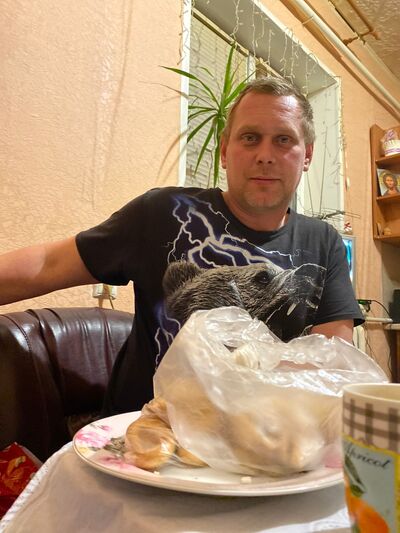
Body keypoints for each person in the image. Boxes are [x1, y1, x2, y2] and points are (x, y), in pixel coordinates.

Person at [0, 77, 363, 415]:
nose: (265, 155)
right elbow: (48, 263)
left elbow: (331, 366)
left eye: (283, 139)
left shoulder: (324, 242)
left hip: (265, 445)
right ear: (225, 151)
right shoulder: (161, 212)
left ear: (307, 155)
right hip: (144, 444)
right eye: (250, 137)